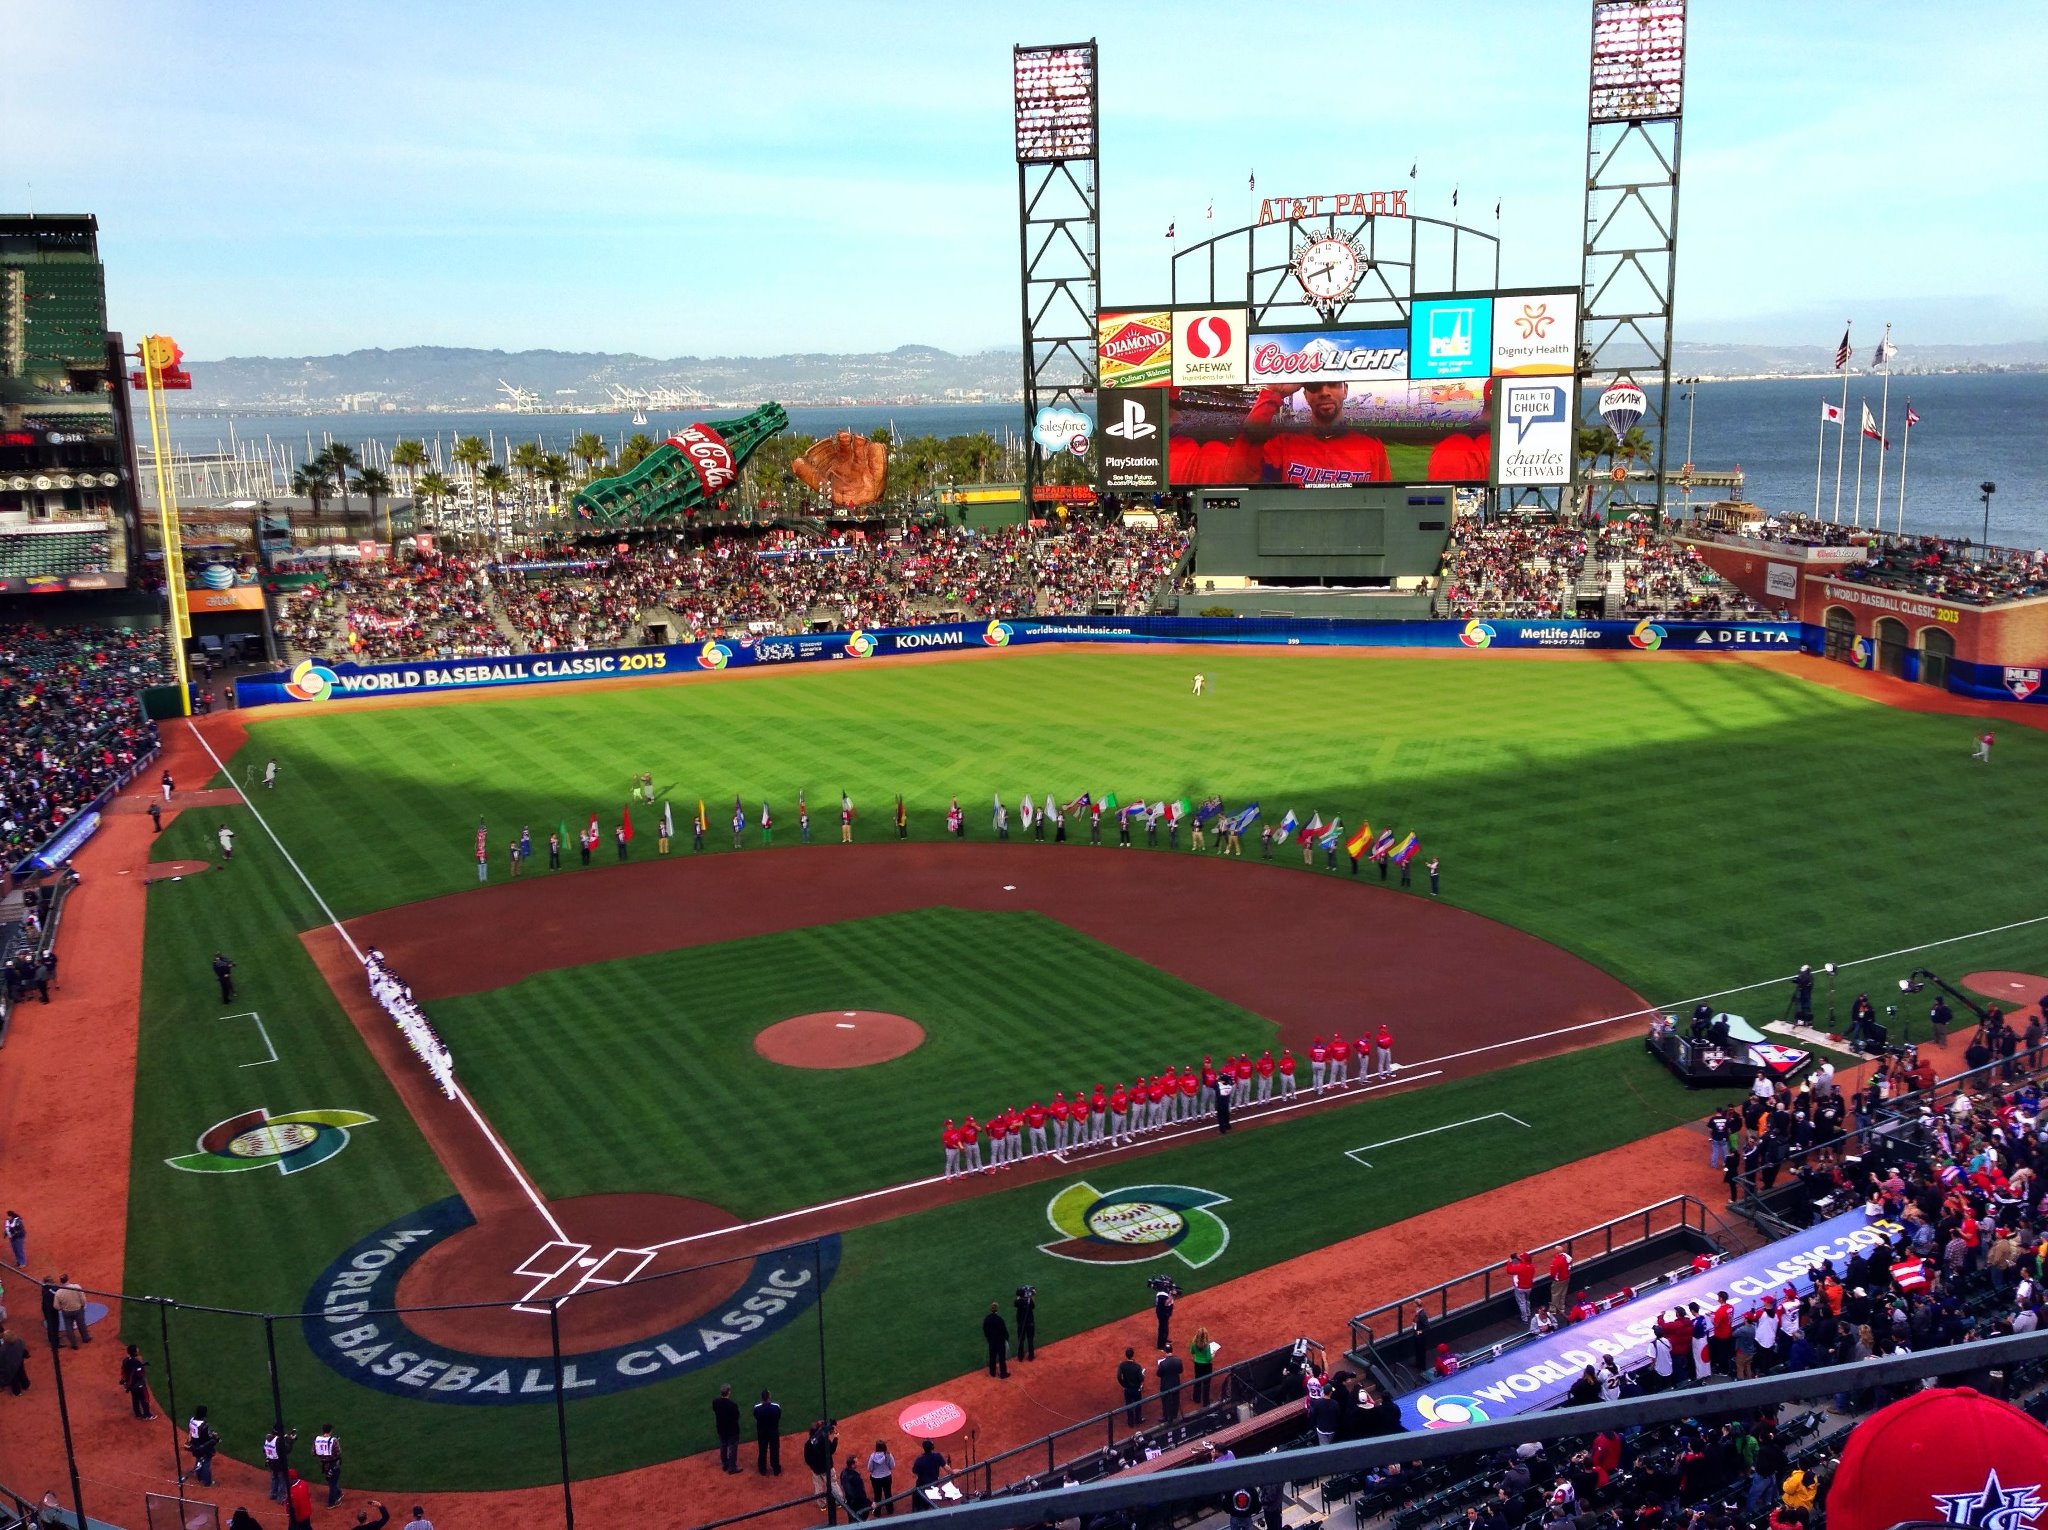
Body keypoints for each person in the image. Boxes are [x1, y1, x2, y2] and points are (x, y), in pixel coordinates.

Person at [1242, 381, 1391, 485]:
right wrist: (1272, 393)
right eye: (1315, 386)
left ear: (1345, 390)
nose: (1324, 392)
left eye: (1332, 384)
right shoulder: (1283, 443)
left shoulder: (1372, 446)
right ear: (1305, 395)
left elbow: (1387, 502)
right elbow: (1239, 477)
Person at [909, 1439, 947, 1512]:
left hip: (922, 1484)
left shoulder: (919, 1460)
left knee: (918, 1495)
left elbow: (914, 1472)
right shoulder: (937, 1456)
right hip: (934, 1483)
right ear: (932, 1447)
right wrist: (953, 1472)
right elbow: (946, 1467)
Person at [712, 1384, 743, 1473]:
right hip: (732, 1430)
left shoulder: (715, 1402)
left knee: (723, 1445)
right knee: (732, 1447)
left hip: (721, 1428)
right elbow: (736, 1416)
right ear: (729, 1392)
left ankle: (725, 1464)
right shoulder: (732, 1405)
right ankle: (732, 1467)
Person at [187, 1405, 220, 1486]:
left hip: (194, 1444)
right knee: (206, 1463)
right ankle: (207, 1482)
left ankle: (199, 1477)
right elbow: (206, 1438)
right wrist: (214, 1437)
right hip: (202, 1446)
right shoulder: (203, 1425)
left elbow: (192, 1432)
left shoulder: (192, 1420)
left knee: (198, 1460)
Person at [120, 1342, 153, 1419]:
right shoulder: (136, 1362)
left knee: (135, 1399)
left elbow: (124, 1371)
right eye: (136, 1349)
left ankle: (138, 1414)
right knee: (144, 1398)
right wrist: (141, 1366)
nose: (138, 1349)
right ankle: (147, 1415)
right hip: (138, 1384)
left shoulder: (125, 1360)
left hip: (130, 1385)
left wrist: (125, 1382)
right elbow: (138, 1374)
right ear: (134, 1352)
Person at [754, 1388, 783, 1475]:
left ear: (762, 1398)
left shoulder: (757, 1408)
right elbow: (778, 1416)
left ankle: (762, 1469)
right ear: (769, 1397)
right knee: (774, 1449)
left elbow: (756, 1416)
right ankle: (776, 1469)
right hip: (773, 1432)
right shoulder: (776, 1407)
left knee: (762, 1450)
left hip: (762, 1432)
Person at [1156, 1341, 1186, 1423]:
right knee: (1176, 1399)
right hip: (1176, 1384)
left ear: (1165, 1352)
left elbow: (1158, 1374)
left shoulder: (1162, 1363)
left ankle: (1166, 1417)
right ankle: (1174, 1415)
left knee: (1166, 1402)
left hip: (1165, 1386)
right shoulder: (1178, 1361)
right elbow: (1180, 1371)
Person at [1188, 1326, 1218, 1406]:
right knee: (1206, 1383)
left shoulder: (1194, 1343)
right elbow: (1208, 1359)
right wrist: (1213, 1354)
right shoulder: (1207, 1346)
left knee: (1197, 1380)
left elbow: (1191, 1351)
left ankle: (1196, 1398)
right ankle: (1206, 1401)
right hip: (1206, 1366)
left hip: (1197, 1364)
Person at [866, 1438, 896, 1517]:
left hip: (875, 1479)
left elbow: (869, 1468)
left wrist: (875, 1471)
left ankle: (877, 1513)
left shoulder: (872, 1456)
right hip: (887, 1477)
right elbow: (892, 1466)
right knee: (888, 1493)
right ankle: (890, 1510)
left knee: (877, 1495)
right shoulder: (888, 1455)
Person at [1116, 1346, 1146, 1425]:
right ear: (1133, 1355)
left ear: (1126, 1355)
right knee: (1138, 1404)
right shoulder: (1137, 1367)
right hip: (1136, 1389)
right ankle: (1138, 1420)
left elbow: (1119, 1376)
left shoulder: (1122, 1365)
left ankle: (1130, 1422)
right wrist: (1143, 1375)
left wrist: (1123, 1385)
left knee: (1128, 1404)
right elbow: (1141, 1378)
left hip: (1127, 1389)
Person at [314, 1424, 342, 1505]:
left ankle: (338, 1493)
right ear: (330, 1430)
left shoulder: (317, 1439)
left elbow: (313, 1452)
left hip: (323, 1465)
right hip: (333, 1464)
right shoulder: (334, 1440)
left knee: (331, 1479)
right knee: (333, 1482)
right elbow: (339, 1453)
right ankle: (331, 1503)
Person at [982, 1301, 1010, 1378]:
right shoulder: (999, 1319)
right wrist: (1006, 1338)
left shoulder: (987, 1319)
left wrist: (988, 1338)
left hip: (991, 1341)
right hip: (1000, 1341)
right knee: (1001, 1357)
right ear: (997, 1309)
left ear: (990, 1309)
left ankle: (992, 1372)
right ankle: (1003, 1373)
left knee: (992, 1356)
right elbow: (1004, 1330)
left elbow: (985, 1329)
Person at [840, 1455, 872, 1520]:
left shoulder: (843, 1473)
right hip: (857, 1504)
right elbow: (859, 1494)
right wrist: (869, 1503)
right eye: (856, 1462)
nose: (858, 1463)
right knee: (860, 1518)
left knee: (851, 1518)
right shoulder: (855, 1478)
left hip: (849, 1502)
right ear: (852, 1465)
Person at [1013, 1286, 1036, 1361]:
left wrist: (1020, 1296)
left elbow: (1016, 1302)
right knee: (1030, 1340)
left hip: (1021, 1324)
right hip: (1030, 1323)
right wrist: (1031, 1296)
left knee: (1021, 1340)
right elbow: (1033, 1306)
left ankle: (1020, 1357)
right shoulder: (1029, 1301)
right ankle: (1031, 1356)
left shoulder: (1018, 1302)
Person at [1154, 1280, 1175, 1349]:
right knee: (1162, 1328)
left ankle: (1164, 1339)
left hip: (1164, 1312)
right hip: (1162, 1313)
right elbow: (1165, 1303)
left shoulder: (1164, 1291)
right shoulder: (1161, 1294)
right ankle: (1160, 1346)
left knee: (1165, 1326)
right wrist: (1172, 1296)